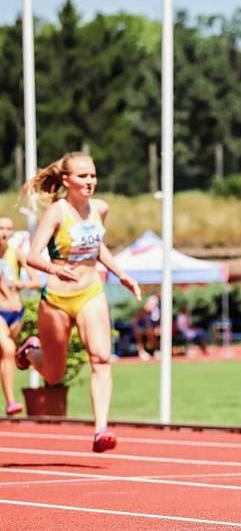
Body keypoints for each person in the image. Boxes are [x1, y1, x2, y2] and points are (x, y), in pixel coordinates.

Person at [14, 151, 141, 452]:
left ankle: (101, 430)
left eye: (93, 175)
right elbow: (32, 256)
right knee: (54, 375)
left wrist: (122, 274)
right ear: (67, 180)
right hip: (57, 299)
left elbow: (98, 248)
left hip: (90, 293)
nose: (89, 182)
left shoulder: (100, 208)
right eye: (83, 176)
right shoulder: (58, 211)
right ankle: (31, 351)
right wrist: (55, 268)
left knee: (101, 358)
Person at [0, 217, 39, 416]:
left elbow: (36, 281)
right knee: (7, 349)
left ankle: (22, 354)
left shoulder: (16, 255)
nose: (4, 232)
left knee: (7, 355)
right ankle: (11, 402)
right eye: (1, 228)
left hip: (16, 313)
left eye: (8, 228)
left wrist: (23, 285)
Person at [131, 294, 160, 360]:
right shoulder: (141, 314)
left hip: (151, 329)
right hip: (142, 330)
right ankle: (142, 352)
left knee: (155, 333)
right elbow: (135, 324)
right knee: (139, 334)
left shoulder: (154, 314)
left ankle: (156, 351)